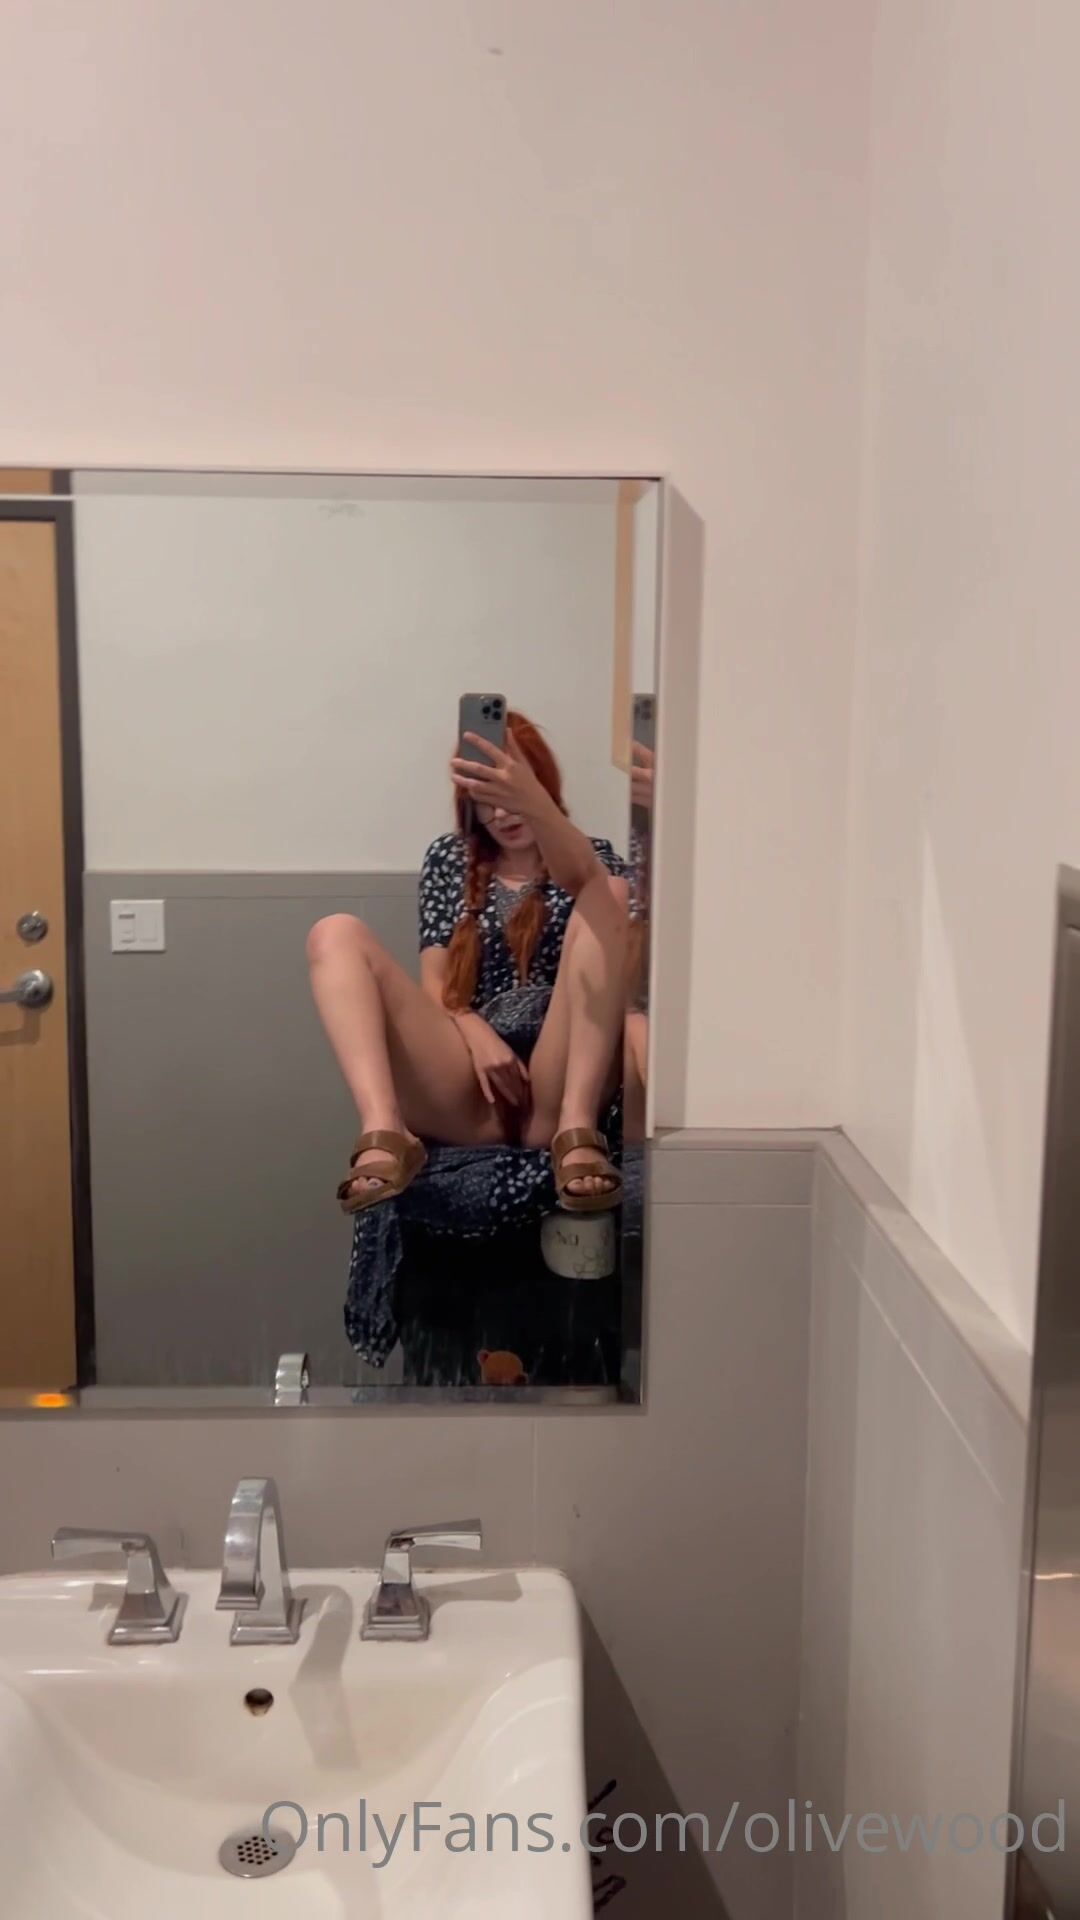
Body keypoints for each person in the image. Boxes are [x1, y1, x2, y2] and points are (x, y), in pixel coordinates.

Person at [307, 709, 627, 1217]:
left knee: (611, 891)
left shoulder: (592, 857)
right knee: (334, 933)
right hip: (470, 1086)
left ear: (539, 785)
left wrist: (535, 803)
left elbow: (590, 883)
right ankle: (384, 1127)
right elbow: (436, 986)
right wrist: (477, 1034)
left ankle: (577, 1128)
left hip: (557, 1077)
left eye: (509, 792)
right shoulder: (448, 859)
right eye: (484, 797)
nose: (501, 813)